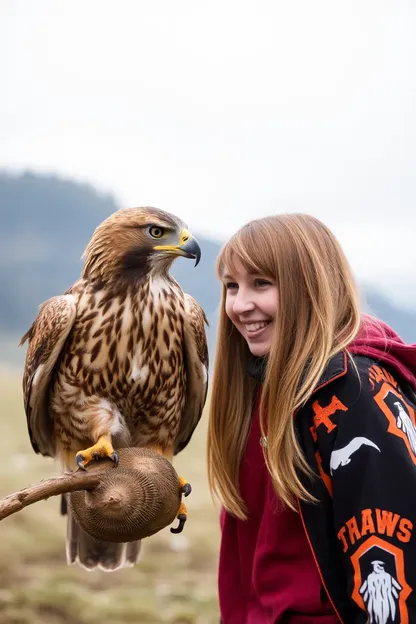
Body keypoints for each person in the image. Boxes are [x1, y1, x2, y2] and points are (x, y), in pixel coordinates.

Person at [207, 213, 416, 624]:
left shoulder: (353, 393)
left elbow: (389, 560)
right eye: (232, 285)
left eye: (261, 283)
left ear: (310, 285)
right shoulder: (264, 385)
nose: (239, 305)